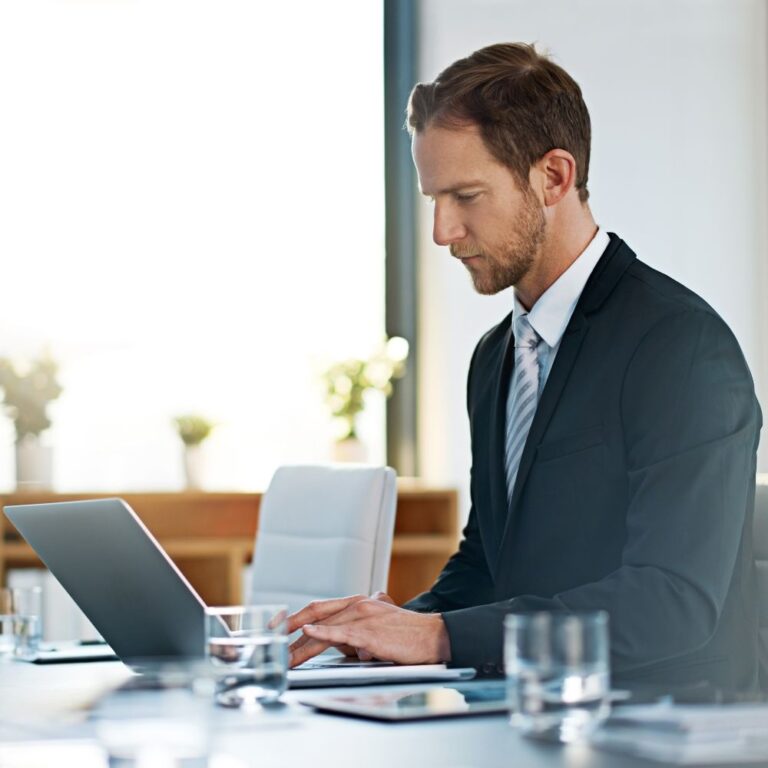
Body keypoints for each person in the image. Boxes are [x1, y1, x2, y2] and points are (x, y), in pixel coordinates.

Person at [287, 42, 762, 690]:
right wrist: (376, 632)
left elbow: (672, 603)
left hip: (660, 728)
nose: (441, 231)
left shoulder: (681, 347)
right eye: (434, 199)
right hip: (526, 715)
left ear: (554, 177)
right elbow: (488, 564)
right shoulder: (495, 358)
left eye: (466, 196)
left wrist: (438, 636)